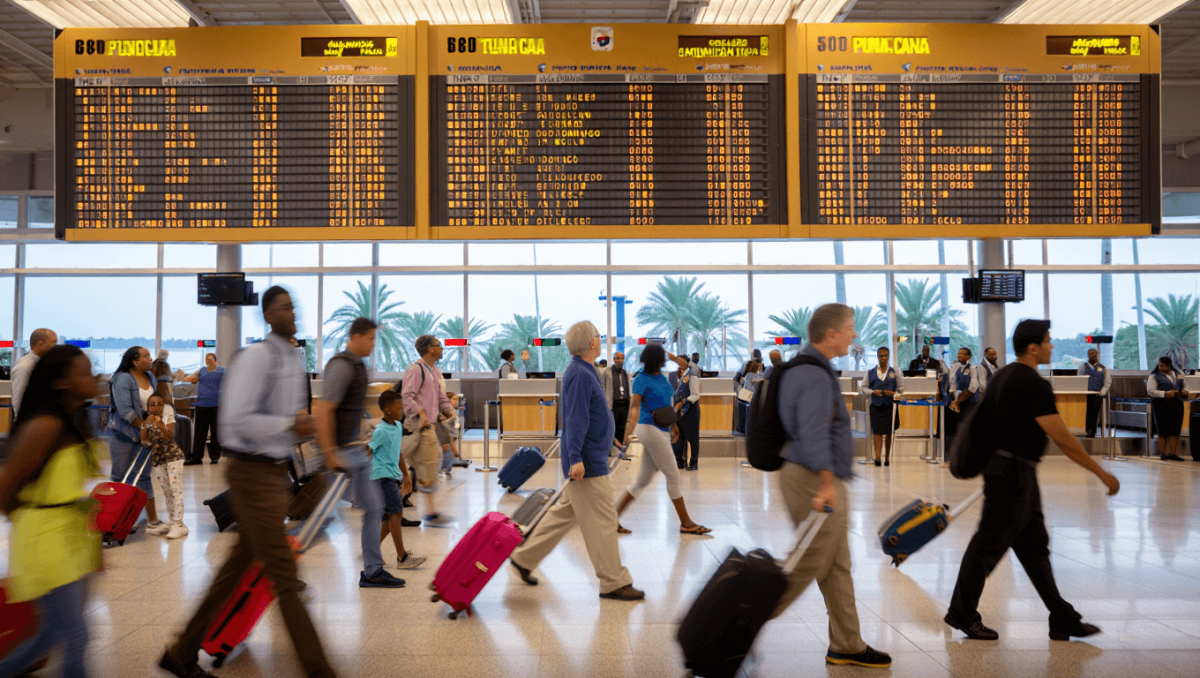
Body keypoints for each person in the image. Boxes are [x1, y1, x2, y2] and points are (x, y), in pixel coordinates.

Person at [159, 286, 338, 678]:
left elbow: (289, 417)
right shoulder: (255, 357)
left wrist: (300, 430)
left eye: (294, 305)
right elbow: (235, 420)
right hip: (249, 473)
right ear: (268, 314)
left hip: (274, 473)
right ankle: (320, 669)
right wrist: (290, 424)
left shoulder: (292, 357)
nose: (293, 312)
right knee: (285, 576)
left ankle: (181, 651)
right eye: (284, 307)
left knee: (235, 569)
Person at [945, 319, 1120, 643]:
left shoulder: (1005, 376)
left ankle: (1062, 617)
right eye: (1049, 340)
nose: (1052, 346)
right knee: (987, 546)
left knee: (1035, 549)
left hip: (1013, 472)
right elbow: (1063, 438)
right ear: (1034, 347)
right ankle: (962, 612)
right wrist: (1100, 472)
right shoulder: (1032, 383)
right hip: (1013, 476)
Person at [769, 303, 891, 669]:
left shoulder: (810, 369)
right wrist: (826, 483)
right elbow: (813, 431)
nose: (854, 333)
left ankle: (847, 644)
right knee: (804, 564)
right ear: (831, 334)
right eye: (850, 328)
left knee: (836, 564)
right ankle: (732, 625)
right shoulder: (814, 375)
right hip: (812, 478)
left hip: (814, 474)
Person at [508, 321, 643, 601]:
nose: (601, 340)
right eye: (598, 336)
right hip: (588, 465)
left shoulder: (584, 370)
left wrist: (609, 438)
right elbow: (575, 420)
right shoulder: (580, 374)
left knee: (562, 515)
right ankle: (613, 582)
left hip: (588, 458)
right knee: (605, 521)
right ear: (592, 343)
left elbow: (590, 416)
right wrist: (576, 459)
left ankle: (523, 558)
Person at [0, 345, 102, 678]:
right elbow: (6, 489)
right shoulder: (43, 425)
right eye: (85, 372)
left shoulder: (74, 422)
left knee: (52, 632)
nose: (95, 376)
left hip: (72, 536)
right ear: (61, 383)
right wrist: (34, 526)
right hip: (47, 540)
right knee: (76, 634)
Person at [317, 317, 405, 589]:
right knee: (319, 521)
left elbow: (351, 410)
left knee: (375, 507)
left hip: (353, 451)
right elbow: (324, 409)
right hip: (339, 453)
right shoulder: (343, 366)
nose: (373, 344)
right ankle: (278, 568)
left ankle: (373, 571)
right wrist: (330, 452)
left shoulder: (358, 367)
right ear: (357, 337)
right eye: (371, 339)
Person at [614, 344, 711, 536]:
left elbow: (668, 401)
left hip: (661, 428)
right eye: (662, 358)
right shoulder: (641, 378)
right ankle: (686, 523)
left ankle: (612, 517)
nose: (666, 360)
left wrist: (673, 424)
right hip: (649, 428)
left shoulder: (662, 377)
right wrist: (627, 430)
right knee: (673, 475)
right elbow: (635, 407)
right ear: (655, 360)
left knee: (643, 479)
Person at [400, 334, 457, 527]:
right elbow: (406, 397)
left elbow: (439, 396)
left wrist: (449, 410)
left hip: (427, 426)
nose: (442, 348)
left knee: (421, 468)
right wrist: (421, 413)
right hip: (419, 427)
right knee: (430, 465)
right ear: (430, 348)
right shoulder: (416, 370)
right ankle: (430, 514)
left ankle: (412, 510)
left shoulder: (432, 371)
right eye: (439, 345)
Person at [107, 345, 163, 533]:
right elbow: (124, 411)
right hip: (124, 435)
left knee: (144, 477)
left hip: (144, 435)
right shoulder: (123, 379)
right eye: (146, 356)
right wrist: (144, 427)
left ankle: (153, 521)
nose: (151, 359)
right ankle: (115, 520)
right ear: (135, 361)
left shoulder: (151, 378)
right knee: (120, 477)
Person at [371, 389, 426, 570]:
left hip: (392, 475)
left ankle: (371, 550)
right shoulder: (380, 430)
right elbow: (368, 451)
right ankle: (402, 558)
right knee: (396, 513)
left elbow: (398, 452)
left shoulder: (396, 426)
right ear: (387, 410)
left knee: (390, 516)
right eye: (399, 407)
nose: (402, 410)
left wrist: (405, 474)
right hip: (381, 477)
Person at [140, 393, 188, 539]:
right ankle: (173, 521)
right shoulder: (146, 421)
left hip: (173, 458)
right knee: (167, 492)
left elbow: (169, 436)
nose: (156, 407)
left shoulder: (168, 418)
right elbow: (144, 439)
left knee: (175, 490)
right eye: (152, 404)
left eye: (159, 404)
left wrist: (160, 425)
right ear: (147, 407)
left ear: (164, 406)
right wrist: (146, 425)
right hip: (159, 460)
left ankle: (179, 524)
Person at [862, 346, 904, 467]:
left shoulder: (895, 372)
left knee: (889, 432)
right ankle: (877, 457)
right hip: (875, 405)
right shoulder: (870, 372)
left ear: (889, 356)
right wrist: (872, 392)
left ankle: (887, 457)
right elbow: (864, 388)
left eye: (886, 355)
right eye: (882, 355)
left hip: (890, 405)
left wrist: (894, 393)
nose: (884, 358)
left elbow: (901, 389)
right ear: (878, 356)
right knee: (877, 432)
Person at [184, 353, 224, 465]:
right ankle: (196, 457)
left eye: (211, 359)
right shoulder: (202, 370)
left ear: (215, 360)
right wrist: (190, 378)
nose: (208, 361)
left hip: (216, 404)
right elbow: (191, 377)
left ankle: (215, 456)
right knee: (199, 432)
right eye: (207, 359)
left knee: (216, 432)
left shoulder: (222, 370)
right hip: (202, 404)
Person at [10, 327, 57, 420]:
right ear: (40, 344)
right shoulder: (25, 366)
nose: (56, 346)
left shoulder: (44, 363)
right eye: (53, 342)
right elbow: (18, 401)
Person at [1147, 356, 1189, 461]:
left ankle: (1173, 453)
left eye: (1163, 365)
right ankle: (1163, 453)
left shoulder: (1178, 374)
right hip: (1161, 404)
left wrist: (1184, 391)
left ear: (1169, 366)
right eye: (1159, 365)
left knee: (1175, 429)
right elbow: (1150, 391)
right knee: (1163, 429)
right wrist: (1165, 394)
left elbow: (1185, 386)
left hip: (1176, 404)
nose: (1160, 367)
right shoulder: (1154, 376)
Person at [670, 351, 702, 470]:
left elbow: (695, 395)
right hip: (677, 411)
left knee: (692, 437)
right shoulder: (675, 375)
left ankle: (693, 462)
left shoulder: (692, 374)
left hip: (691, 411)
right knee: (678, 436)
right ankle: (679, 460)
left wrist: (683, 402)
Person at [945, 347, 980, 445]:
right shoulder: (958, 369)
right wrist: (954, 396)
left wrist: (957, 401)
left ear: (968, 356)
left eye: (961, 354)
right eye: (958, 354)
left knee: (967, 427)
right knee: (956, 428)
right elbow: (954, 385)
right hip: (959, 404)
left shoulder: (973, 369)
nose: (958, 356)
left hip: (969, 402)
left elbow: (972, 388)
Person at [1077, 348, 1111, 438]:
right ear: (1088, 355)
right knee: (1086, 413)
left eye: (1095, 353)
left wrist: (1102, 392)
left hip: (1097, 394)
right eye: (1091, 353)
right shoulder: (1083, 367)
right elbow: (1078, 380)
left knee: (1094, 414)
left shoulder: (1104, 368)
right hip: (1085, 394)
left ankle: (1092, 433)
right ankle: (1085, 431)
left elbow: (1107, 382)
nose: (1094, 355)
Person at [600, 351, 632, 446]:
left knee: (622, 428)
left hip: (624, 404)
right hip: (613, 404)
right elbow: (602, 387)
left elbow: (629, 390)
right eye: (617, 358)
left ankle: (620, 448)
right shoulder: (607, 372)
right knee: (612, 427)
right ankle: (610, 448)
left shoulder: (627, 374)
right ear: (614, 360)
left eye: (621, 358)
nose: (620, 360)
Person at [437, 392, 461, 479]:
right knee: (444, 453)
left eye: (457, 400)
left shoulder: (454, 412)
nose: (456, 402)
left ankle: (446, 470)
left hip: (452, 436)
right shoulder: (443, 414)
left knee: (449, 453)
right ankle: (441, 470)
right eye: (454, 399)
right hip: (446, 438)